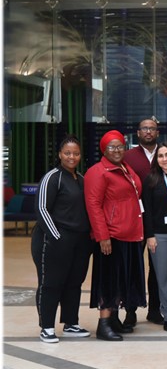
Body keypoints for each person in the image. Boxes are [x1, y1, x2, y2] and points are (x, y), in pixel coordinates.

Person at [84, 130, 146, 341]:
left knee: (122, 280)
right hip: (112, 236)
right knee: (108, 280)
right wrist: (103, 236)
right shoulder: (98, 171)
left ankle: (114, 320)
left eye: (120, 146)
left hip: (130, 232)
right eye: (112, 147)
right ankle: (103, 325)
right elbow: (93, 206)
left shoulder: (125, 168)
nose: (117, 150)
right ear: (103, 149)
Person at [31, 134, 92, 343]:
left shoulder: (82, 179)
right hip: (54, 240)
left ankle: (70, 324)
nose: (72, 157)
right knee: (51, 283)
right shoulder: (52, 177)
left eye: (75, 153)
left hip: (79, 242)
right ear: (60, 154)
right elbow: (41, 210)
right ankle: (47, 326)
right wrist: (57, 237)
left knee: (74, 282)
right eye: (67, 153)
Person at [141, 142, 167, 332]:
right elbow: (146, 211)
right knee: (164, 277)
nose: (165, 159)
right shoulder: (151, 180)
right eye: (160, 156)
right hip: (159, 235)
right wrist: (149, 235)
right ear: (156, 160)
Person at [124, 118, 162, 326]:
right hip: (134, 220)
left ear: (157, 132)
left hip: (159, 220)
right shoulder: (128, 157)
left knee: (158, 268)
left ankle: (155, 310)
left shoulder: (165, 154)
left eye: (152, 129)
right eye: (144, 128)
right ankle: (130, 311)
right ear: (138, 133)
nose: (148, 132)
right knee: (134, 266)